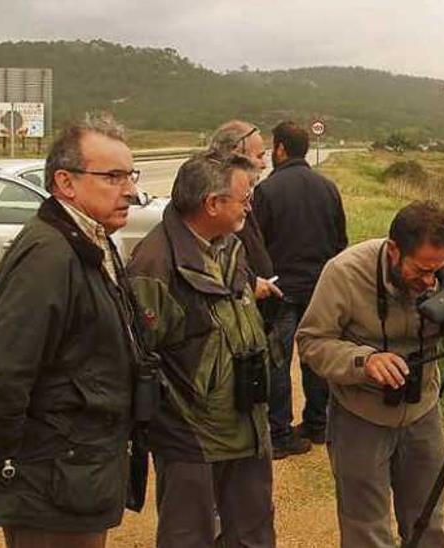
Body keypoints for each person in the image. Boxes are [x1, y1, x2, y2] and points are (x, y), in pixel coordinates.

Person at [0, 116, 142, 547]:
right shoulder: (50, 257)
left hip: (71, 477)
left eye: (131, 175)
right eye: (112, 176)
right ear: (66, 182)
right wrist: (18, 465)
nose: (130, 190)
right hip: (51, 487)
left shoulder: (87, 241)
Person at [297, 201, 444, 547]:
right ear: (394, 251)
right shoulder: (345, 272)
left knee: (430, 521)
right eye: (421, 271)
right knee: (366, 527)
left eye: (435, 271)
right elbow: (311, 342)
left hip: (422, 408)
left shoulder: (441, 270)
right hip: (359, 413)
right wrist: (365, 361)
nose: (428, 281)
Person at [127, 152, 275, 547]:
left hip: (246, 420)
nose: (250, 206)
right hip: (190, 435)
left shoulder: (229, 245)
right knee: (188, 535)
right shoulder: (155, 262)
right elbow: (139, 357)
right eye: (244, 198)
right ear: (212, 204)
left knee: (253, 530)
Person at [254, 120, 348, 457]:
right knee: (317, 355)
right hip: (321, 287)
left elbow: (257, 245)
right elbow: (341, 243)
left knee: (279, 361)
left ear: (279, 148)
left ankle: (279, 433)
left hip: (280, 290)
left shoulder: (266, 190)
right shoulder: (328, 188)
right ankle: (318, 424)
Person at [207, 120, 282, 302]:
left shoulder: (242, 197)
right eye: (259, 156)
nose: (264, 164)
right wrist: (250, 285)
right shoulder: (219, 202)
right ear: (235, 156)